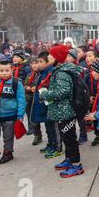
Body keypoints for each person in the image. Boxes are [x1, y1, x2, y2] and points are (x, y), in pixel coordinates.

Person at [39, 44, 85, 178]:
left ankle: (76, 165)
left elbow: (63, 91)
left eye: (51, 55)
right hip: (61, 111)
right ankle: (69, 159)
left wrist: (45, 94)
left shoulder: (62, 73)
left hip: (66, 111)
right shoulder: (59, 70)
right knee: (66, 137)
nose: (48, 57)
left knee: (70, 138)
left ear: (58, 57)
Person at [32, 51, 61, 158]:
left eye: (41, 62)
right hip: (43, 105)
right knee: (48, 127)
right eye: (38, 62)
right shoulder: (42, 73)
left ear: (48, 62)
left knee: (54, 127)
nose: (38, 64)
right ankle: (50, 144)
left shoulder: (51, 73)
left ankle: (57, 147)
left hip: (50, 105)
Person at [85, 49, 99, 146]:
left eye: (90, 56)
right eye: (87, 56)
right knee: (94, 117)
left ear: (96, 58)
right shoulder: (87, 71)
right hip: (91, 99)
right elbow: (84, 86)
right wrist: (88, 97)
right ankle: (98, 135)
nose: (87, 58)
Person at [24, 57, 41, 139]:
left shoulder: (42, 74)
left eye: (36, 63)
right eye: (32, 63)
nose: (34, 65)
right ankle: (37, 135)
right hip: (30, 98)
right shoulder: (29, 75)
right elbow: (25, 85)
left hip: (40, 98)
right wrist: (27, 88)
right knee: (32, 117)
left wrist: (37, 88)